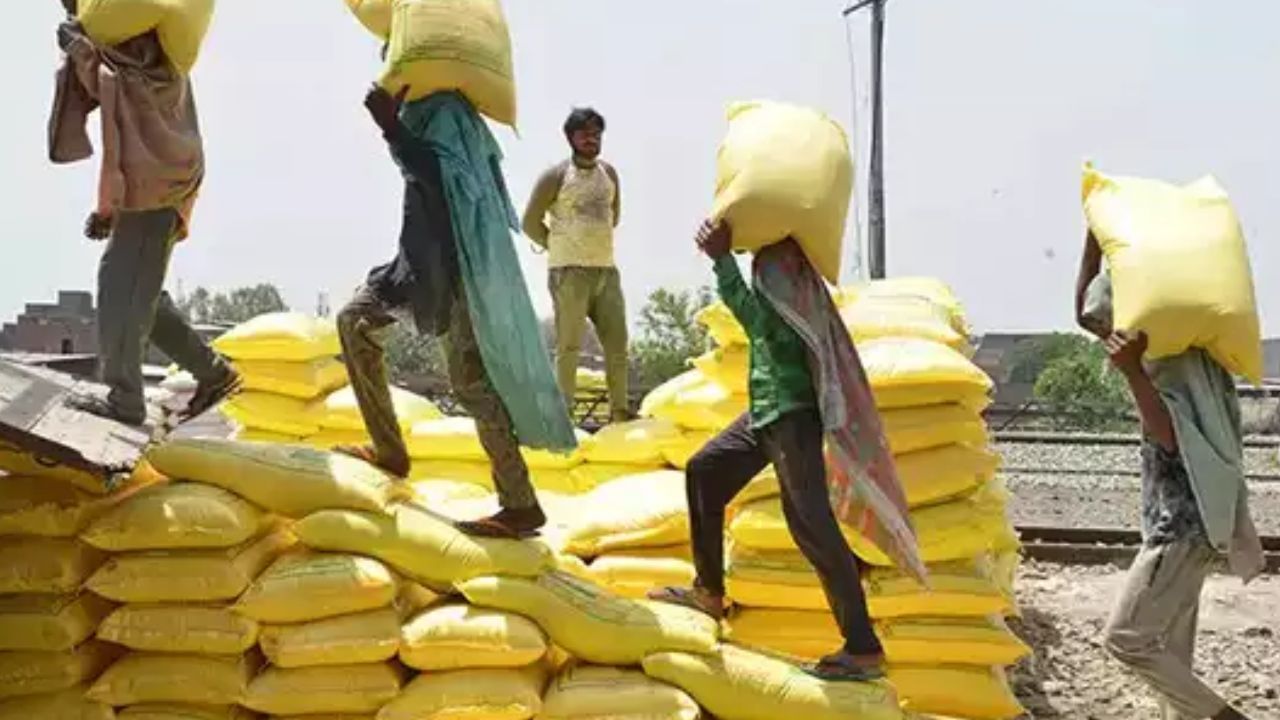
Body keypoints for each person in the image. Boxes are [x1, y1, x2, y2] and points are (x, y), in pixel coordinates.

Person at [649, 220, 924, 682]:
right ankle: (709, 592)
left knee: (812, 525)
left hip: (790, 413)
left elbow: (762, 324)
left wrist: (721, 261)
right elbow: (760, 326)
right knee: (704, 471)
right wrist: (726, 261)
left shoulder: (783, 263)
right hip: (766, 411)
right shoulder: (771, 261)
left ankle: (862, 646)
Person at [334, 80, 575, 539]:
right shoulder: (434, 115)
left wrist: (391, 130)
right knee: (354, 321)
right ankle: (390, 450)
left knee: (473, 387)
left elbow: (437, 177)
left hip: (457, 272)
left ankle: (519, 503)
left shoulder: (447, 116)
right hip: (417, 265)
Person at [1076, 231, 1264, 720]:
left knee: (1127, 639)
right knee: (1173, 651)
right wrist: (1093, 239)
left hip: (1182, 524)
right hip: (1198, 518)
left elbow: (1172, 437)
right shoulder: (1186, 344)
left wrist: (1133, 373)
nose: (1101, 326)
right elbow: (1083, 313)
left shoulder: (1169, 358)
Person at [49, 1, 240, 426]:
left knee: (120, 284)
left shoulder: (132, 48)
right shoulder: (149, 42)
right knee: (140, 291)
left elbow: (118, 112)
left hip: (158, 181)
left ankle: (124, 400)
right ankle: (213, 373)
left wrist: (82, 53)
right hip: (164, 177)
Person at [522, 108, 630, 422]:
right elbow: (530, 222)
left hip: (606, 271)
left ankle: (621, 410)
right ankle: (563, 414)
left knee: (617, 344)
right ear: (571, 138)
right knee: (569, 345)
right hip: (569, 272)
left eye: (596, 133)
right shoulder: (556, 176)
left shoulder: (609, 174)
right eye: (584, 133)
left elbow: (614, 216)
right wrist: (555, 244)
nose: (591, 139)